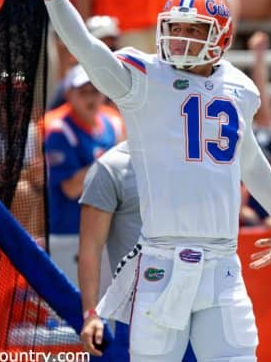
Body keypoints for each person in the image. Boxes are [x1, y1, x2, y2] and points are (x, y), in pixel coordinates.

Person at [7, 0, 271, 362]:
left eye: (192, 30)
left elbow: (248, 157)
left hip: (223, 266)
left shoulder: (241, 88)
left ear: (219, 38)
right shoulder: (144, 78)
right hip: (163, 262)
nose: (179, 37)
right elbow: (87, 48)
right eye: (174, 27)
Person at [78, 141, 197, 362]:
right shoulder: (110, 167)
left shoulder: (195, 162)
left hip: (194, 314)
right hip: (137, 317)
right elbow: (90, 248)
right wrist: (90, 314)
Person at [44, 65, 123, 285]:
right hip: (71, 234)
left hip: (107, 233)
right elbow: (70, 188)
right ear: (69, 94)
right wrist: (109, 159)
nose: (90, 98)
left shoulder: (113, 124)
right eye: (83, 92)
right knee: (74, 308)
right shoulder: (60, 130)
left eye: (95, 91)